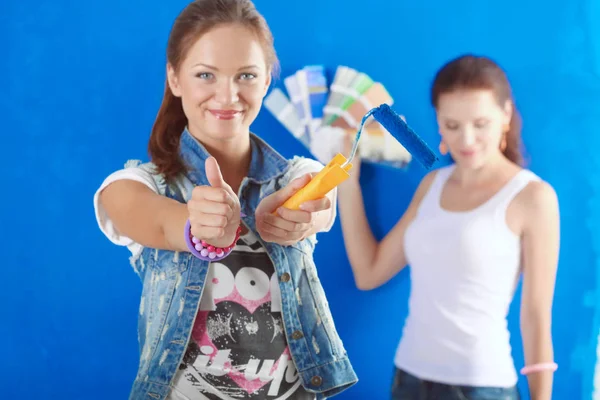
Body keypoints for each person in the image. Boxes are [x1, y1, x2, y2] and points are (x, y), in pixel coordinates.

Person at [93, 1, 357, 399]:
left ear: (267, 79)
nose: (228, 95)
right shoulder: (139, 184)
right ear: (175, 78)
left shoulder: (295, 175)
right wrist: (196, 227)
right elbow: (148, 216)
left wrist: (301, 211)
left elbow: (319, 195)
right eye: (205, 75)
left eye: (246, 76)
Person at [338, 54, 560, 400]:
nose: (467, 140)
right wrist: (346, 183)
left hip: (484, 387)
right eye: (453, 126)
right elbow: (369, 273)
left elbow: (535, 315)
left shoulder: (533, 197)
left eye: (480, 123)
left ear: (505, 115)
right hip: (407, 380)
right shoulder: (432, 185)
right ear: (439, 122)